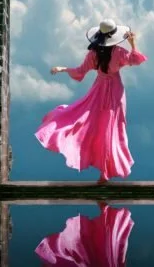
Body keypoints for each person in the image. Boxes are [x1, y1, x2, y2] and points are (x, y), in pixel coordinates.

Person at [35, 18, 147, 184]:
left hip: (98, 91)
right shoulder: (119, 52)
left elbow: (80, 71)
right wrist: (133, 44)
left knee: (84, 120)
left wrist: (63, 69)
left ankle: (103, 172)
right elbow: (135, 60)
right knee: (111, 130)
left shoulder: (94, 54)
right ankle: (105, 173)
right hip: (115, 93)